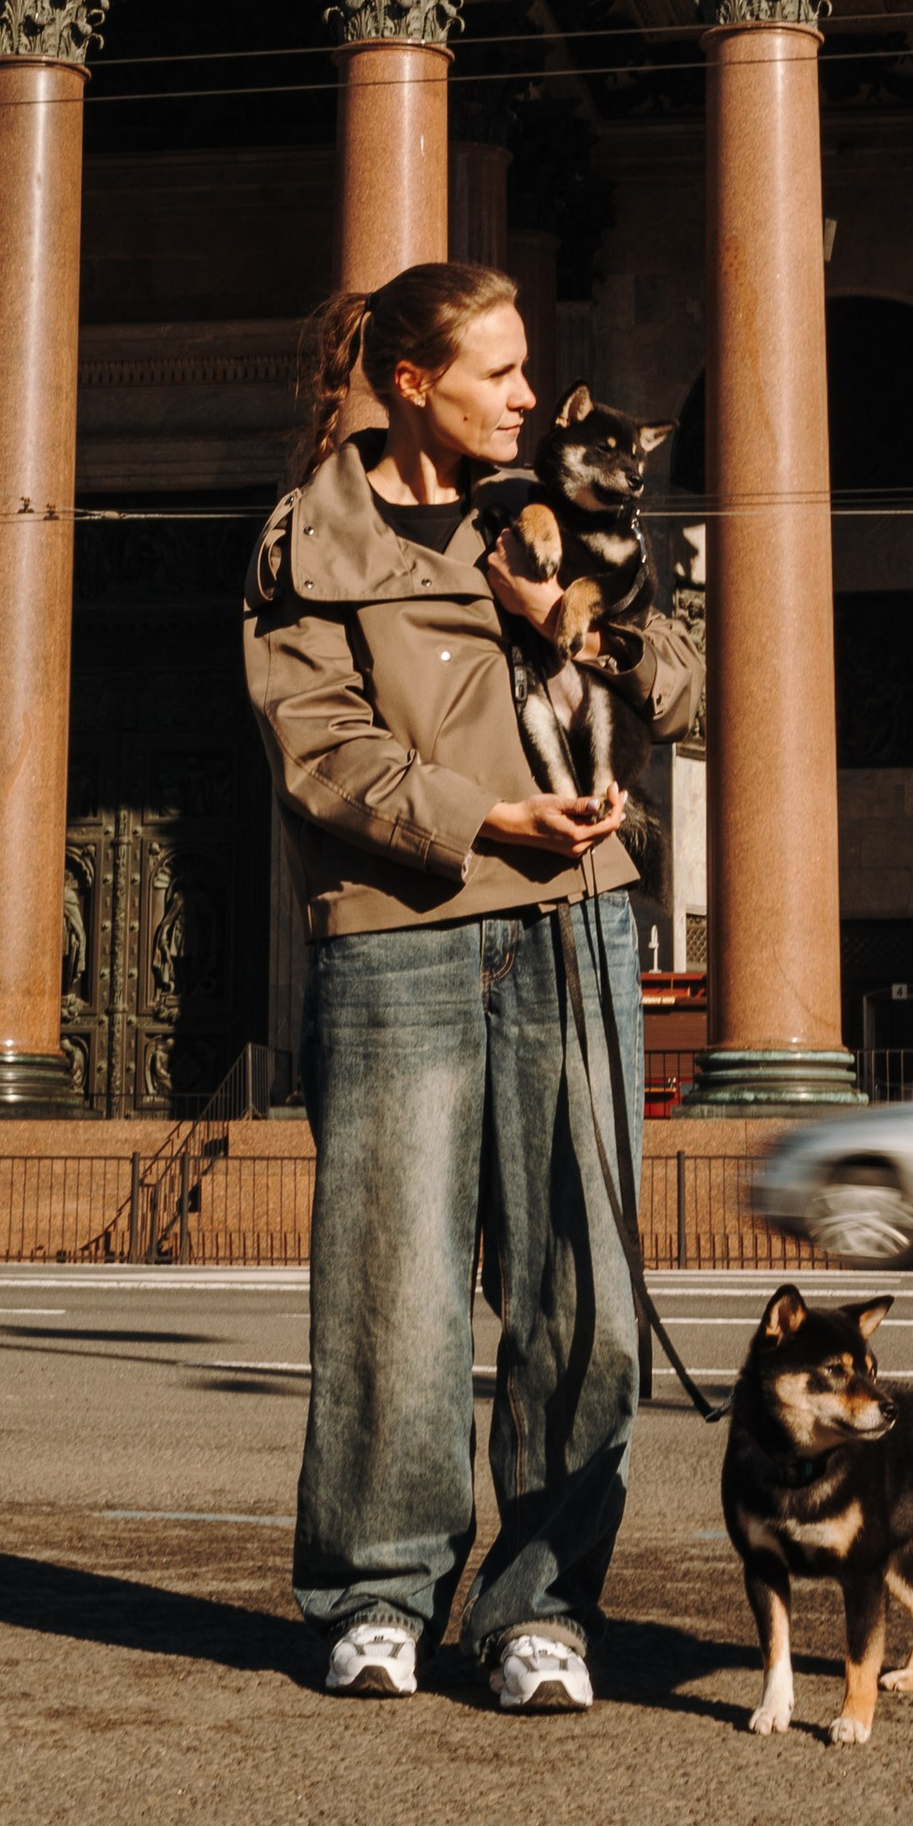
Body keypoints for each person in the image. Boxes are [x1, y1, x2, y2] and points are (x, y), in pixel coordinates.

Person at [243, 261, 702, 1714]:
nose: (526, 393)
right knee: (394, 1287)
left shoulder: (576, 520)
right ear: (411, 381)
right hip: (397, 930)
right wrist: (477, 817)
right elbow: (317, 745)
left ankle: (544, 1608)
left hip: (577, 927)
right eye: (499, 372)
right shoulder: (307, 538)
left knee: (583, 1286)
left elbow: (689, 692)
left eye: (525, 369)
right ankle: (380, 1592)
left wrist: (571, 618)